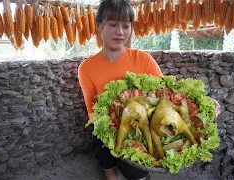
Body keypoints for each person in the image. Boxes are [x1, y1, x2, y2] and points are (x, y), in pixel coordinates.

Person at [78, 0, 221, 179]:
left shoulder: (143, 59)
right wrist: (115, 129)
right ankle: (110, 173)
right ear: (99, 26)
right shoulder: (86, 68)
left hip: (142, 125)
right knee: (105, 156)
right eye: (113, 25)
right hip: (109, 125)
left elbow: (166, 95)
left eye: (126, 26)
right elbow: (92, 111)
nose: (120, 32)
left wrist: (204, 104)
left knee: (135, 171)